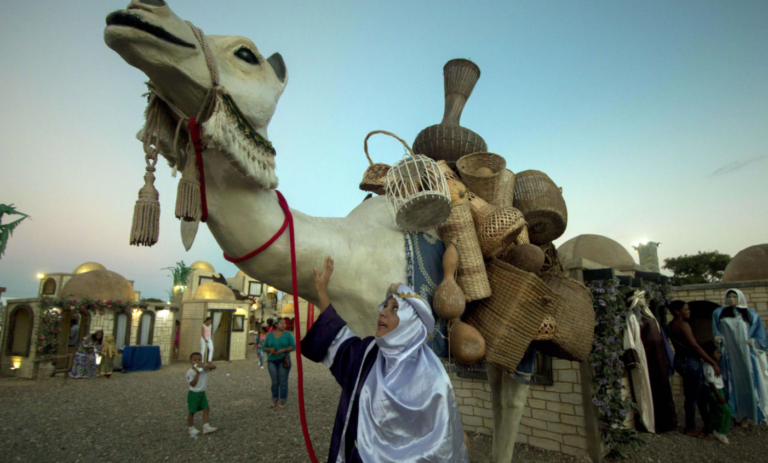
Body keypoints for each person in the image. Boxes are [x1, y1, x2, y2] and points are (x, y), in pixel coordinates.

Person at [301, 256, 468, 462]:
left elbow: (444, 446)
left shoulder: (435, 379)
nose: (382, 312)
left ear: (410, 323)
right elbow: (336, 338)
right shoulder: (367, 355)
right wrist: (321, 293)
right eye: (385, 306)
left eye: (394, 308)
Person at [713, 289, 768, 428]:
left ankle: (747, 415)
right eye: (729, 296)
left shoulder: (751, 315)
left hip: (746, 356)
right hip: (729, 355)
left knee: (747, 383)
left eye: (734, 297)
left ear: (740, 298)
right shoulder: (719, 313)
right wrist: (717, 338)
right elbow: (716, 331)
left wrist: (754, 342)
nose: (731, 300)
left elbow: (761, 336)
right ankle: (732, 414)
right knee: (730, 384)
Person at [669, 300, 721, 437]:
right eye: (686, 310)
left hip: (680, 360)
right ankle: (690, 428)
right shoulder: (683, 325)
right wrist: (712, 362)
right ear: (677, 311)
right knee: (693, 396)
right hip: (690, 361)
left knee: (695, 393)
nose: (689, 312)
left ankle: (707, 423)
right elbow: (695, 346)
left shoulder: (670, 325)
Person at [699, 341, 731, 444]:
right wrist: (718, 396)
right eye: (717, 352)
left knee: (714, 412)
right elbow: (711, 382)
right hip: (714, 391)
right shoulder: (709, 366)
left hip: (717, 390)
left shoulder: (712, 365)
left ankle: (709, 430)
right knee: (726, 411)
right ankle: (721, 432)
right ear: (709, 355)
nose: (719, 354)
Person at [263, 318, 295, 409]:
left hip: (283, 360)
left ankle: (282, 400)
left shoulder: (288, 335)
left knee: (283, 381)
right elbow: (264, 347)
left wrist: (283, 350)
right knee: (274, 382)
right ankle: (274, 400)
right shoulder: (269, 335)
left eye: (284, 323)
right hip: (272, 360)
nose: (284, 325)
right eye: (281, 323)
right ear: (276, 325)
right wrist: (270, 350)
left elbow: (293, 346)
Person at [186, 352, 218, 436]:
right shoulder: (190, 372)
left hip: (202, 393)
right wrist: (197, 374)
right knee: (192, 411)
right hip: (194, 393)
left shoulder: (203, 369)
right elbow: (192, 384)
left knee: (206, 408)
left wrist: (205, 366)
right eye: (195, 360)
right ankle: (190, 427)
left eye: (199, 360)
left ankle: (206, 426)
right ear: (190, 361)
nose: (197, 362)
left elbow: (213, 367)